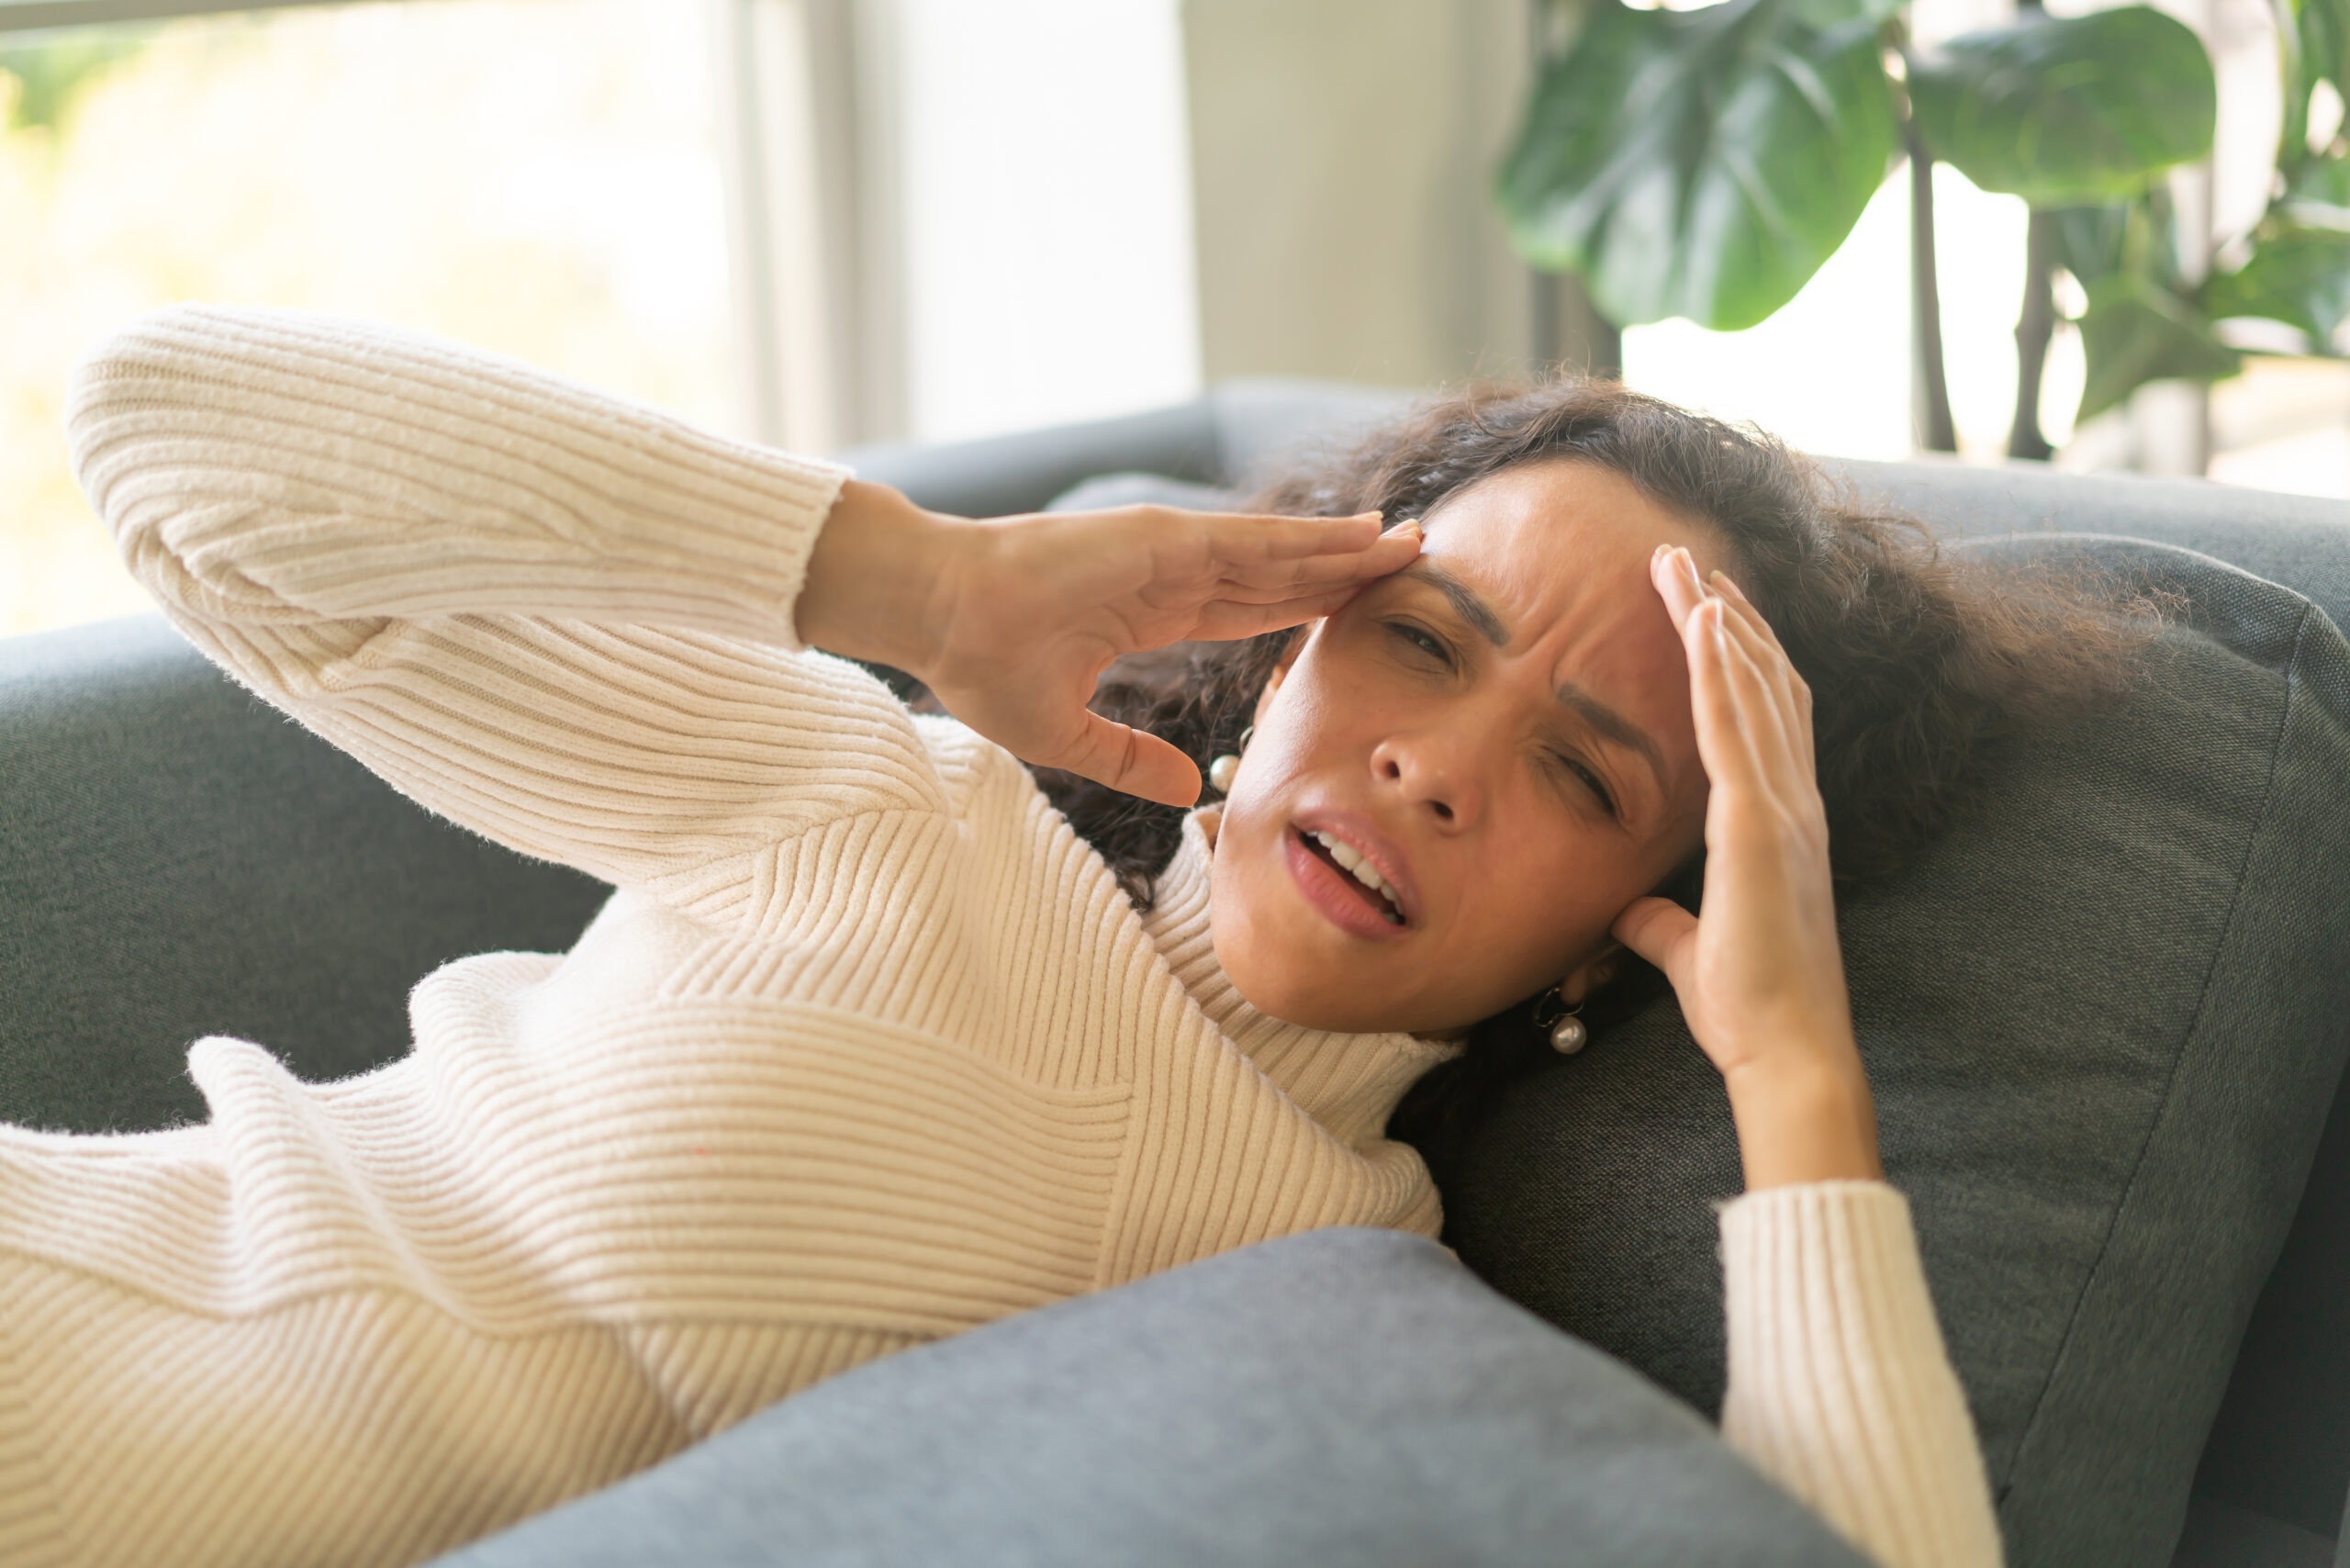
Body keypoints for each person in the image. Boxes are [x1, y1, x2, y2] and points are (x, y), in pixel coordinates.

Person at [12, 303, 2121, 1568]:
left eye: (1579, 771)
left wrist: (1794, 1071)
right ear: (1282, 638)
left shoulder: (1348, 1306)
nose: (1433, 766)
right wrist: (910, 580)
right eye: (1417, 638)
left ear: (1622, 929)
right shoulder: (882, 807)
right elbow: (157, 435)